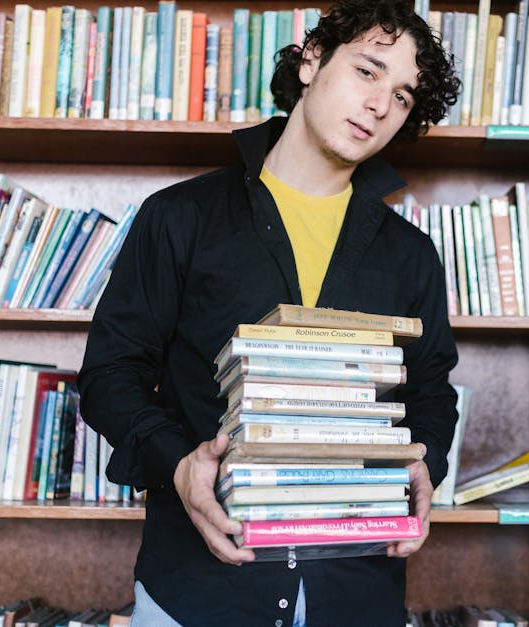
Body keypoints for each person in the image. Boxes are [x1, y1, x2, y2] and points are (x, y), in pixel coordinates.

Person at [77, 0, 462, 624]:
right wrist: (178, 467)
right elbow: (108, 377)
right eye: (367, 71)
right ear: (312, 61)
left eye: (402, 97)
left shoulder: (412, 256)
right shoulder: (180, 217)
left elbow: (431, 393)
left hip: (358, 594)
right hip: (195, 593)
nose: (379, 105)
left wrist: (427, 465)